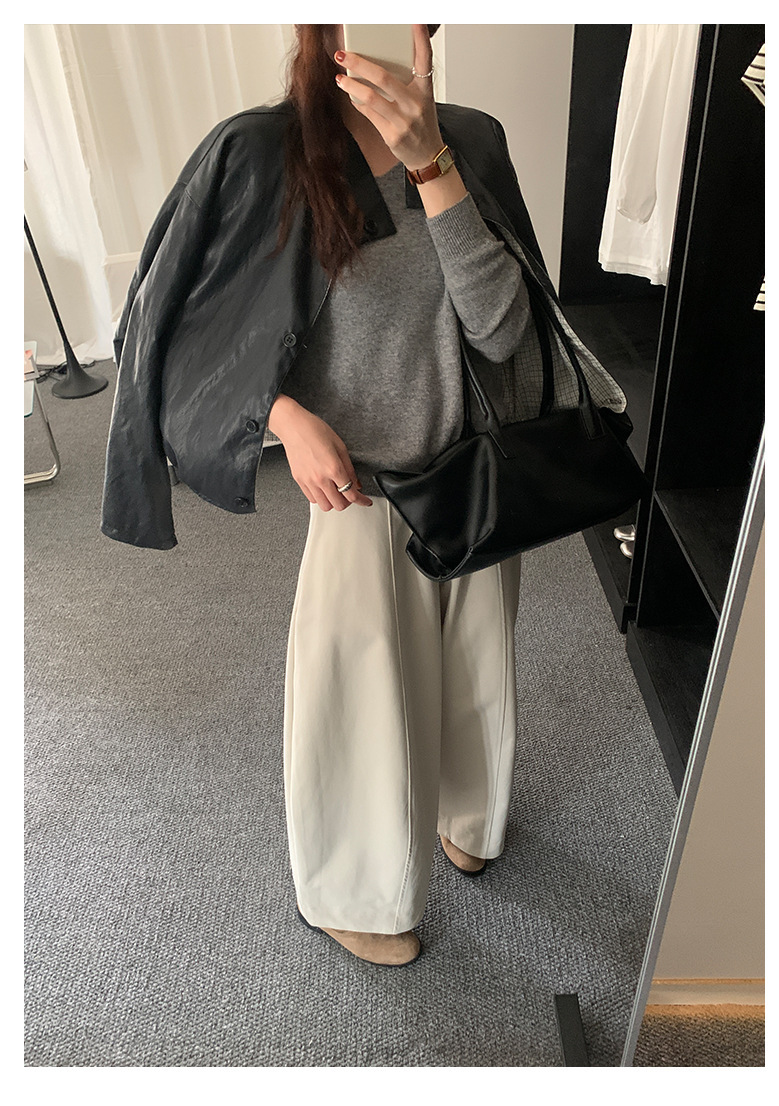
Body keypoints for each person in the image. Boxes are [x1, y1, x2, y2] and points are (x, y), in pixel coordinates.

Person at [101, 23, 628, 968]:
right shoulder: (257, 152)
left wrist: (433, 167)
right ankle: (356, 890)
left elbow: (505, 333)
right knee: (358, 699)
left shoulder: (473, 138)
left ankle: (467, 813)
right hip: (359, 493)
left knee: (477, 669)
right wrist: (281, 417)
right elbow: (165, 330)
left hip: (478, 472)